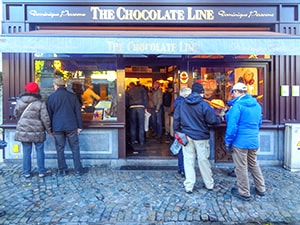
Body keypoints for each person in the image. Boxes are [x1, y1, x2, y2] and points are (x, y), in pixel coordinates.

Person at [173, 83, 222, 193]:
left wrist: (178, 132)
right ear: (201, 93)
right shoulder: (204, 105)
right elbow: (212, 121)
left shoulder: (182, 104)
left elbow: (176, 120)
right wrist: (219, 119)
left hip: (187, 136)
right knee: (203, 160)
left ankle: (189, 186)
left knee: (188, 161)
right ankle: (209, 183)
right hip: (201, 137)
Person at [225, 82, 266, 201]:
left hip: (240, 142)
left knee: (241, 166)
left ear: (237, 92)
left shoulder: (237, 106)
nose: (232, 95)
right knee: (253, 164)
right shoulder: (257, 105)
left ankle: (244, 192)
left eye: (233, 92)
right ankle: (261, 188)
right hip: (253, 140)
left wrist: (228, 141)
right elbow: (259, 123)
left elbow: (232, 127)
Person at [47, 78, 87, 176]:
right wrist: (79, 126)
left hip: (57, 126)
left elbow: (49, 114)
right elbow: (78, 112)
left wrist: (50, 129)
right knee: (75, 148)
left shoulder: (51, 97)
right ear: (64, 86)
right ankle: (78, 169)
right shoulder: (72, 96)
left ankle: (62, 170)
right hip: (71, 125)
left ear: (56, 85)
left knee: (60, 148)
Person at [14, 82, 52, 178]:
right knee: (39, 151)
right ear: (36, 91)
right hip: (37, 131)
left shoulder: (20, 101)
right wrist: (49, 130)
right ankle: (41, 171)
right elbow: (45, 118)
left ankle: (26, 172)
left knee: (26, 151)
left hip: (24, 130)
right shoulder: (40, 103)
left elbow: (16, 114)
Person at [173, 87, 192, 178]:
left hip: (180, 129)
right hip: (183, 129)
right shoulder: (183, 103)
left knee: (182, 150)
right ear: (185, 95)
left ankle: (181, 168)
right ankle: (183, 169)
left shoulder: (178, 102)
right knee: (184, 150)